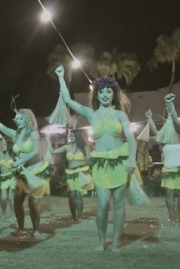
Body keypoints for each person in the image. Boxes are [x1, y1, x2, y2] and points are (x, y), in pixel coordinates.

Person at [55, 65, 136, 252]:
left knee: (118, 205)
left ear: (113, 95)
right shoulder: (91, 114)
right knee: (102, 204)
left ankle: (115, 243)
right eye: (102, 92)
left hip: (120, 163)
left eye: (109, 91)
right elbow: (67, 99)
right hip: (100, 164)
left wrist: (132, 159)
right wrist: (61, 77)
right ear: (97, 95)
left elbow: (131, 139)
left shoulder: (119, 114)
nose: (106, 94)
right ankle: (101, 241)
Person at [0, 98, 50, 238]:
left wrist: (19, 161)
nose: (16, 120)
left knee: (33, 204)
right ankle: (21, 229)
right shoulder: (15, 134)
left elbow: (36, 151)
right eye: (16, 119)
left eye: (19, 118)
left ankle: (36, 230)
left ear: (27, 119)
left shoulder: (33, 133)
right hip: (22, 173)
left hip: (36, 171)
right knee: (17, 201)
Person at [146, 94, 180, 222]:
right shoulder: (165, 140)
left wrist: (170, 106)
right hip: (168, 169)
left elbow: (176, 122)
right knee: (169, 193)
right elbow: (155, 132)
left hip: (179, 170)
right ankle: (171, 216)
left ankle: (178, 214)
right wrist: (149, 118)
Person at [48, 130, 93, 222]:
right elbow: (53, 151)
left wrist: (81, 163)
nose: (70, 137)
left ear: (77, 136)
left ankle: (79, 216)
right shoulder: (67, 147)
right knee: (72, 196)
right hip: (70, 173)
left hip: (81, 172)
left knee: (78, 195)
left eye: (72, 135)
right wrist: (48, 140)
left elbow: (89, 160)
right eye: (70, 136)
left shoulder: (84, 147)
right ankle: (73, 216)